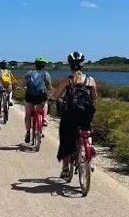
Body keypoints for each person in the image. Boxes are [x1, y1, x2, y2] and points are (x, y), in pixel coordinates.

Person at [48, 51, 97, 180]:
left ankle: (65, 169)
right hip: (87, 112)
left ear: (70, 65)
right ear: (82, 65)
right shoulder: (90, 80)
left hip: (71, 113)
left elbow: (56, 96)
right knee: (86, 130)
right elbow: (94, 97)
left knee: (66, 138)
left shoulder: (67, 80)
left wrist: (51, 98)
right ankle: (89, 149)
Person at [23, 56, 53, 144]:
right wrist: (50, 90)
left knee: (28, 115)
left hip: (30, 96)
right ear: (44, 65)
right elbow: (49, 87)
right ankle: (44, 119)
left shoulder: (29, 73)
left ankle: (28, 132)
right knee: (44, 103)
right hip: (40, 97)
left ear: (35, 65)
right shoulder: (46, 74)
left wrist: (24, 87)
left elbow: (24, 84)